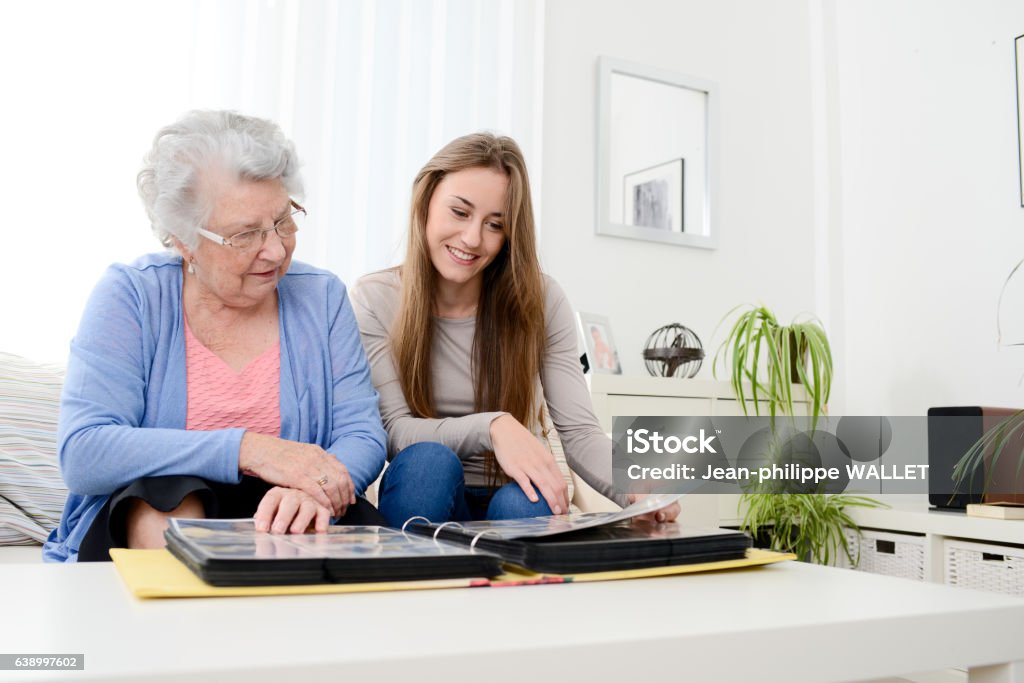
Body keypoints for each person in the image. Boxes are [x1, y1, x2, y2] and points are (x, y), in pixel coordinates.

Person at [44, 110, 389, 562]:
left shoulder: (321, 296)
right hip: (163, 517)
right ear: (183, 239)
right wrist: (249, 449)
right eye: (246, 235)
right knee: (163, 498)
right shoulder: (132, 295)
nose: (276, 248)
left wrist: (319, 489)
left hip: (288, 511)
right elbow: (85, 452)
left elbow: (361, 431)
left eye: (284, 220)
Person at [351, 132, 680, 526]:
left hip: (513, 493)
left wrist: (638, 489)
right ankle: (412, 584)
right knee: (427, 464)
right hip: (426, 490)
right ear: (425, 203)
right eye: (459, 212)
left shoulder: (541, 299)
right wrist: (493, 427)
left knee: (532, 497)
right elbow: (394, 432)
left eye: (495, 224)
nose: (473, 238)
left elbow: (578, 432)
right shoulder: (376, 299)